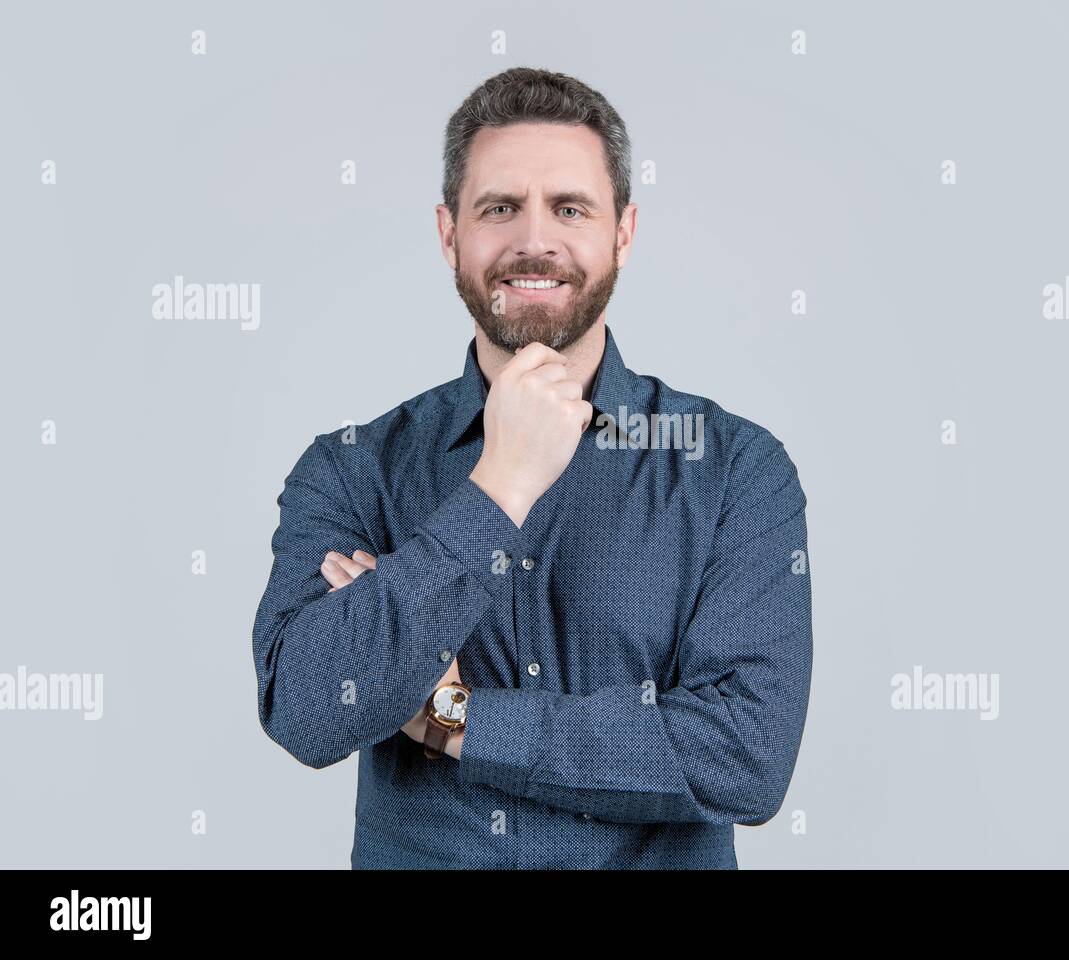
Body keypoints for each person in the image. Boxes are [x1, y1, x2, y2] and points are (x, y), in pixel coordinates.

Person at [251, 66, 813, 869]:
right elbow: (307, 711)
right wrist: (499, 485)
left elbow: (745, 759)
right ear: (450, 233)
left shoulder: (734, 470)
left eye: (570, 208)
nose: (534, 241)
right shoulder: (351, 470)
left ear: (623, 231)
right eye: (499, 208)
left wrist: (453, 717)